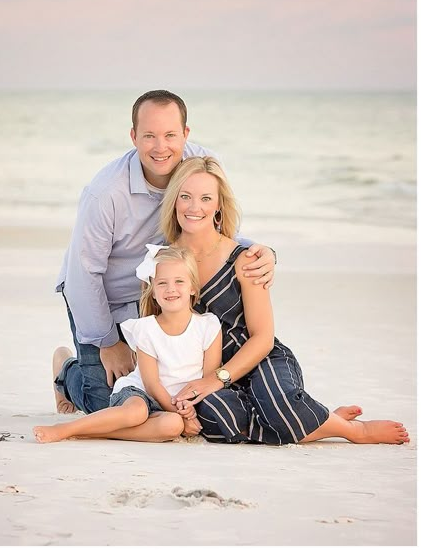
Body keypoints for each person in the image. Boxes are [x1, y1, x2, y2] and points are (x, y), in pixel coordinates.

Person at [53, 90, 276, 415]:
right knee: (107, 405)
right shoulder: (105, 194)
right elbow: (82, 276)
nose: (161, 147)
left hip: (166, 294)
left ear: (186, 134)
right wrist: (109, 342)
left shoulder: (201, 164)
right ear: (133, 137)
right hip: (105, 301)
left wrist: (263, 252)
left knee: (166, 400)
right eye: (149, 136)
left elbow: (218, 225)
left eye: (171, 135)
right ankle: (65, 371)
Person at [160, 156, 410, 445]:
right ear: (174, 201)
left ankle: (352, 430)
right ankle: (318, 420)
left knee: (280, 406)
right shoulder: (161, 262)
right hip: (203, 369)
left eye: (206, 198)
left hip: (258, 358)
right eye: (186, 197)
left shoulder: (245, 259)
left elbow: (263, 337)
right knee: (216, 420)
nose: (194, 207)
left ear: (219, 206)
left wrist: (217, 378)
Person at [33, 246, 222, 444]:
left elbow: (208, 380)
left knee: (173, 426)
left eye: (179, 281)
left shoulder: (208, 326)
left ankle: (93, 432)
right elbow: (152, 384)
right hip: (141, 394)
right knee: (136, 413)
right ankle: (66, 429)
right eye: (162, 283)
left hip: (177, 407)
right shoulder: (147, 328)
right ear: (154, 292)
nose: (171, 289)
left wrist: (185, 413)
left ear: (193, 287)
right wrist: (185, 415)